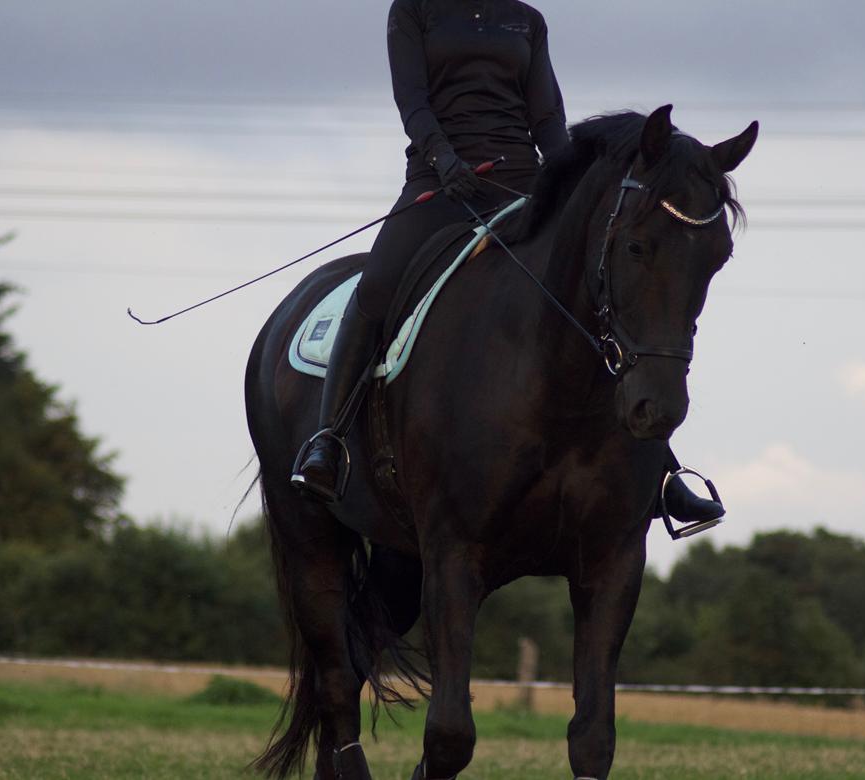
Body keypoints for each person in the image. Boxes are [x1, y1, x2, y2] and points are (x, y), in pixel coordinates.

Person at [290, 0, 724, 529]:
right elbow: (413, 102)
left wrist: (566, 185)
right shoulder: (414, 11)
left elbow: (546, 118)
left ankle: (661, 472)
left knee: (595, 296)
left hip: (522, 182)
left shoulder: (526, 20)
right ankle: (328, 440)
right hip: (440, 183)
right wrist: (443, 160)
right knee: (377, 288)